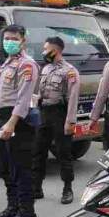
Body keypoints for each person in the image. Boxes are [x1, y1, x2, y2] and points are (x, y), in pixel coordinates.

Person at [0, 24, 39, 217]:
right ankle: (12, 207)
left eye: (14, 38)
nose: (10, 41)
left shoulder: (27, 65)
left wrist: (11, 124)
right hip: (4, 118)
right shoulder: (7, 63)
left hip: (19, 121)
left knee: (21, 168)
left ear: (23, 40)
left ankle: (27, 214)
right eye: (7, 38)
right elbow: (1, 97)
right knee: (7, 168)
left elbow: (23, 99)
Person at [32, 36, 80, 205]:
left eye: (46, 49)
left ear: (56, 50)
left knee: (64, 153)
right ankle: (36, 187)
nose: (43, 52)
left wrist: (70, 122)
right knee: (38, 151)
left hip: (60, 114)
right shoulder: (45, 69)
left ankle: (67, 189)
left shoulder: (70, 71)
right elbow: (39, 91)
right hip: (43, 113)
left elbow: (73, 98)